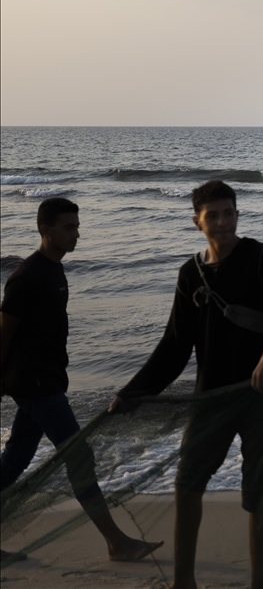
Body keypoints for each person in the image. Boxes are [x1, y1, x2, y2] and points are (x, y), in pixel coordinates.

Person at [107, 180, 263, 589]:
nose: (222, 222)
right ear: (197, 222)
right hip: (209, 398)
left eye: (229, 213)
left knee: (259, 493)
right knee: (187, 484)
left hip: (259, 397)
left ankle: (258, 584)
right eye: (213, 216)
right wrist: (133, 391)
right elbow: (174, 347)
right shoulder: (190, 274)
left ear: (238, 215)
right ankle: (183, 582)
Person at [0, 198, 163, 564]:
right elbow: (4, 333)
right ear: (46, 230)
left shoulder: (55, 271)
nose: (77, 233)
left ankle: (116, 543)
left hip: (47, 381)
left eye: (77, 226)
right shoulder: (28, 276)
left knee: (13, 463)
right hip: (37, 385)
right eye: (68, 227)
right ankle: (116, 543)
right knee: (79, 457)